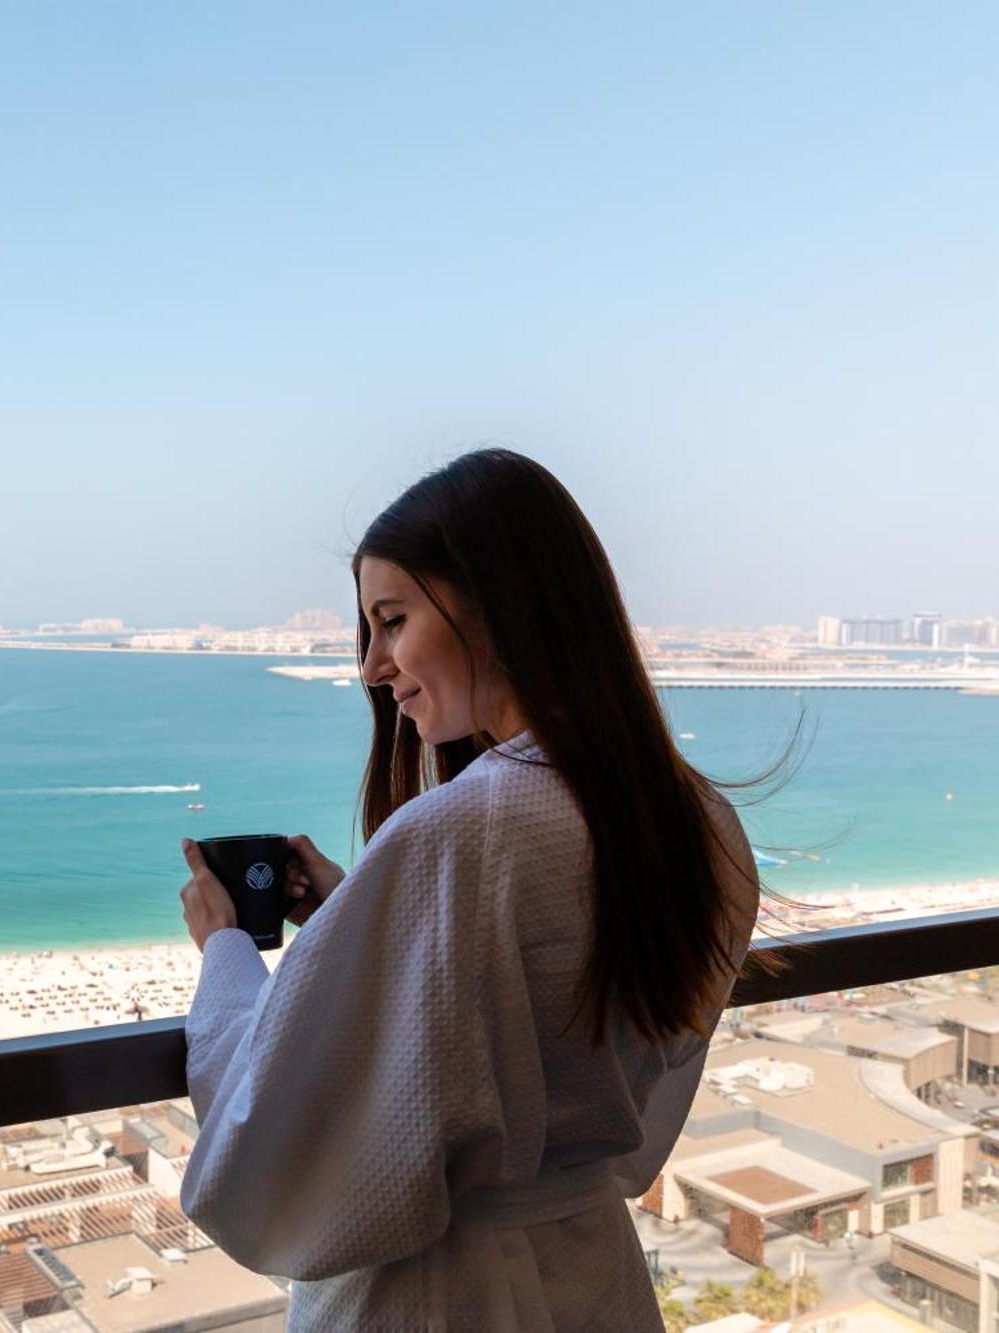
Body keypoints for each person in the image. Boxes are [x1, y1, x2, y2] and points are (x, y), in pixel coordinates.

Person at [174, 449, 760, 1330]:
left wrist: (225, 953)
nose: (372, 664)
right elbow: (520, 1009)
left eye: (393, 620)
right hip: (591, 1273)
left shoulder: (457, 832)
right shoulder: (694, 816)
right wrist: (358, 917)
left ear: (497, 601)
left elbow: (277, 1142)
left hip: (436, 1298)